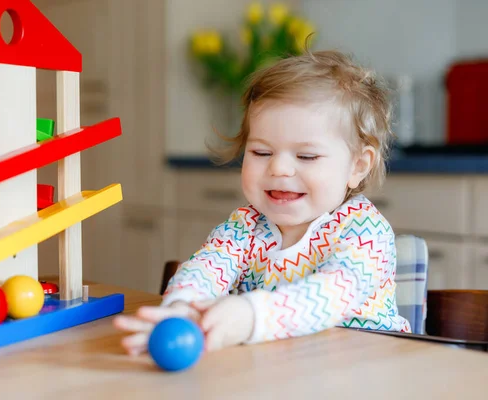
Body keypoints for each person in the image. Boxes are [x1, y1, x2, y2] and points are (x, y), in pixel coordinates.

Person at [113, 49, 411, 356]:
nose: (279, 169)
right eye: (261, 152)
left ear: (357, 166)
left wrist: (251, 316)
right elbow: (207, 267)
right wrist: (184, 308)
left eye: (306, 156)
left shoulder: (365, 232)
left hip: (362, 371)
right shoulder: (245, 226)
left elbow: (332, 295)